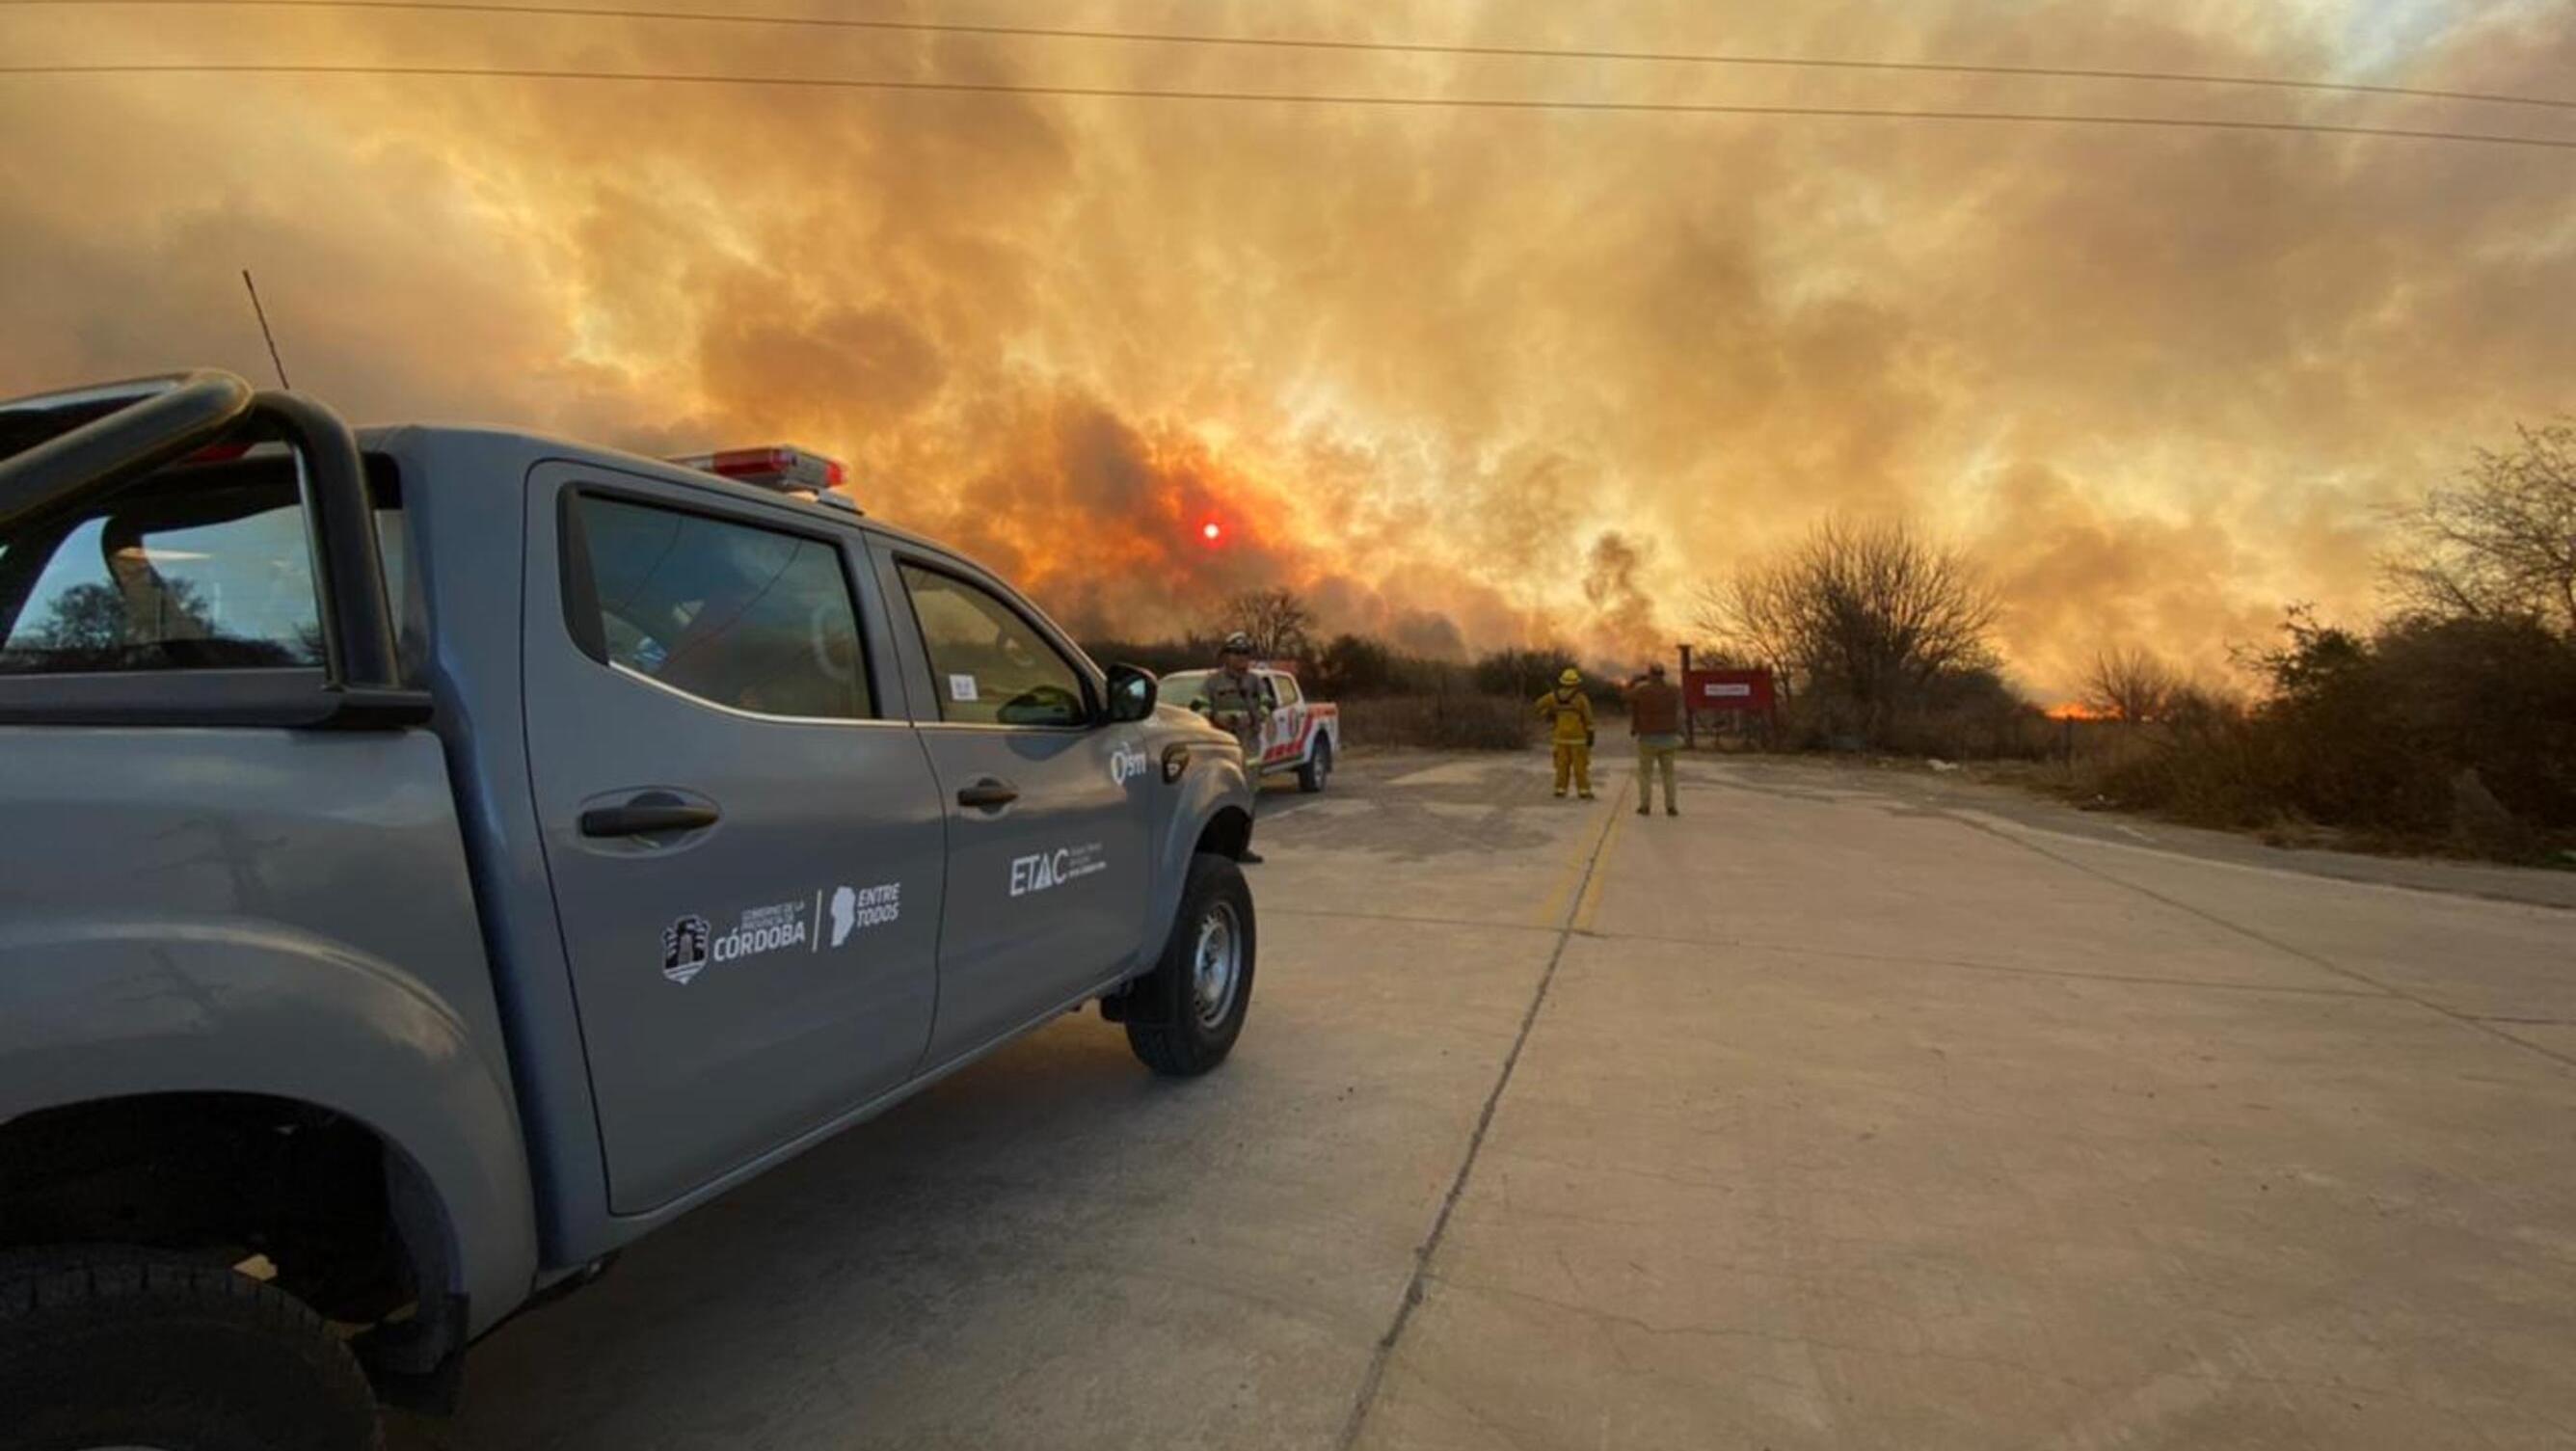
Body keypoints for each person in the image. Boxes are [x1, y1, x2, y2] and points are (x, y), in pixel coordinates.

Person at [1204, 631, 1267, 862]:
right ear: (1226, 656)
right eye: (1237, 653)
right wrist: (1216, 720)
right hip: (1221, 748)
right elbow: (1199, 708)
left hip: (1248, 748)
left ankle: (1242, 849)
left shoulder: (1255, 682)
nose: (1242, 658)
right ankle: (1220, 851)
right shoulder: (1212, 683)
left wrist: (1254, 718)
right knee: (1220, 799)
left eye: (1245, 653)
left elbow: (1268, 705)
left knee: (1248, 801)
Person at [1625, 661, 1682, 816]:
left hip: (1648, 738)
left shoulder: (1642, 691)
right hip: (1669, 738)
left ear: (1649, 675)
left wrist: (1634, 681)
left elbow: (1625, 696)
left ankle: (1645, 806)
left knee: (1645, 775)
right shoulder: (1673, 690)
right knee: (1669, 775)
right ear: (1663, 675)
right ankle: (1671, 806)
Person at [1535, 666, 1596, 799]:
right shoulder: (1580, 698)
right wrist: (1590, 734)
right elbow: (1588, 717)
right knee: (1580, 766)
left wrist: (1549, 713)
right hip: (1578, 738)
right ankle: (1583, 790)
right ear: (1576, 683)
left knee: (1561, 765)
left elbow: (1538, 704)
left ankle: (1560, 789)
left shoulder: (1553, 696)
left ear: (1563, 682)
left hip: (1560, 737)